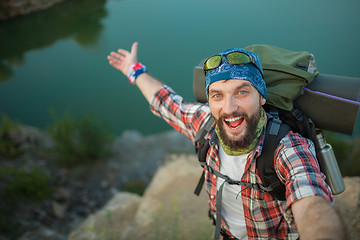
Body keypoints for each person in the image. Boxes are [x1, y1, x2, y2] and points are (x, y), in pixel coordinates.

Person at [107, 42, 346, 240]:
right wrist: (134, 69)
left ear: (261, 97)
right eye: (217, 96)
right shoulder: (206, 123)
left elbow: (310, 200)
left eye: (242, 92)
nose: (229, 109)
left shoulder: (287, 147)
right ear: (209, 101)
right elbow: (167, 103)